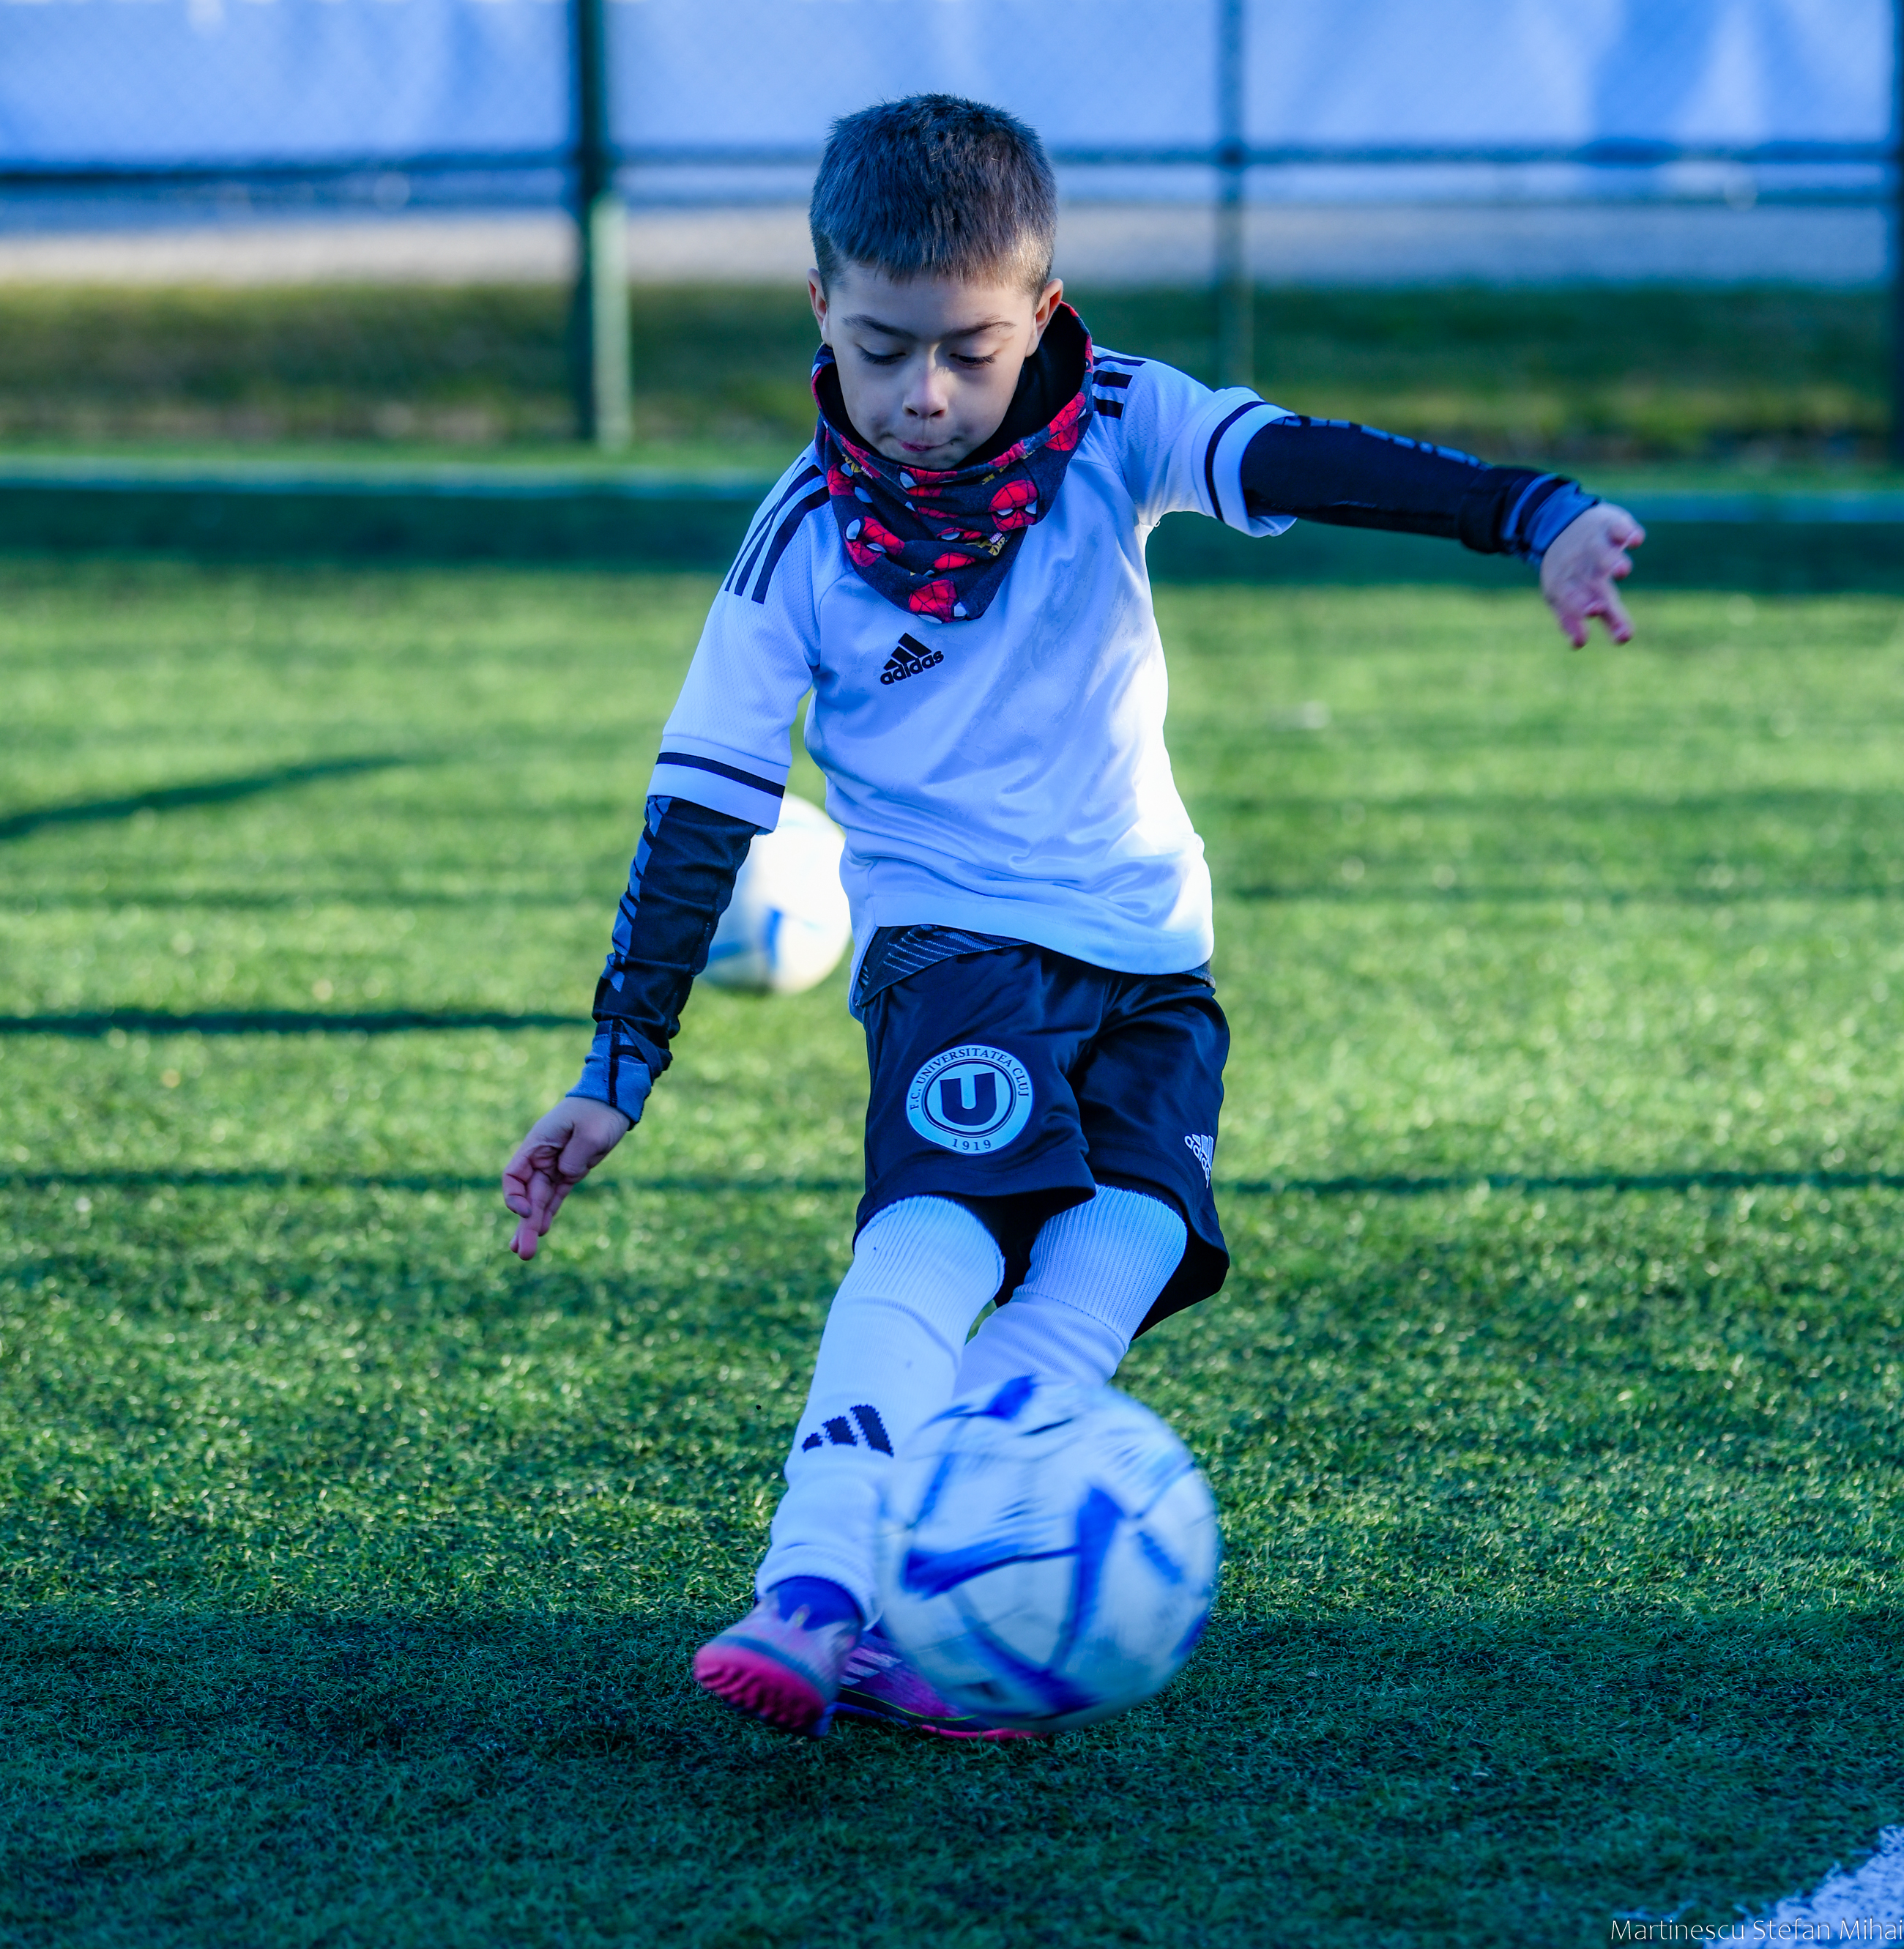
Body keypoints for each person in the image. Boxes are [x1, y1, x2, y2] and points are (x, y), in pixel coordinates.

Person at [502, 94, 1643, 1740]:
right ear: (820, 307)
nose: (923, 394)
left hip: (1152, 947)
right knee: (943, 1229)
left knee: (1133, 1239)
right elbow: (701, 811)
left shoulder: (1119, 419)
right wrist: (620, 1062)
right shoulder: (801, 540)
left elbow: (1301, 457)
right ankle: (813, 1580)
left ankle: (935, 1587)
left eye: (968, 350)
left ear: (1038, 311)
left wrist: (1531, 512)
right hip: (952, 939)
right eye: (881, 348)